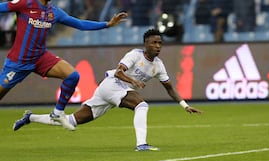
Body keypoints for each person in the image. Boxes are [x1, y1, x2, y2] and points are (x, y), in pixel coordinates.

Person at [13, 29, 202, 151]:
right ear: (146, 44)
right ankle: (141, 144)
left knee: (72, 120)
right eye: (154, 43)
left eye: (160, 43)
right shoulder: (135, 55)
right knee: (142, 105)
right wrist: (133, 82)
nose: (158, 46)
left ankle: (30, 117)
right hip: (113, 84)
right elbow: (119, 73)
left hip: (113, 91)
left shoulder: (158, 66)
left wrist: (184, 105)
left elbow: (169, 88)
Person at [0, 0, 127, 130]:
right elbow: (2, 7)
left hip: (40, 58)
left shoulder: (54, 12)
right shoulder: (25, 4)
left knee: (73, 76)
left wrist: (107, 24)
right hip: (18, 62)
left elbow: (80, 24)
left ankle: (58, 113)